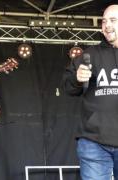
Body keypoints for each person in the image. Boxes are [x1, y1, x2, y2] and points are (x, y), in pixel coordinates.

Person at [63, 4, 118, 180]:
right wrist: (77, 79)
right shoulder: (90, 54)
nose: (107, 25)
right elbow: (68, 86)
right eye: (104, 21)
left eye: (113, 20)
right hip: (94, 141)